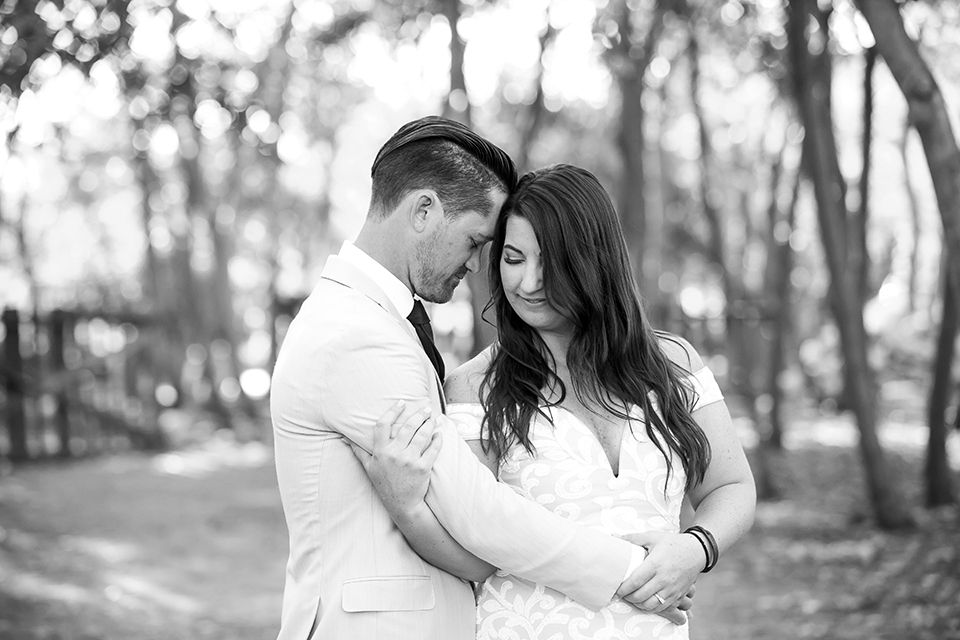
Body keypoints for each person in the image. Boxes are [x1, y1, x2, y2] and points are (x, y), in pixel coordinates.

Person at [270, 119, 682, 640]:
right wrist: (629, 568)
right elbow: (476, 509)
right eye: (474, 240)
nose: (476, 264)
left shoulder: (369, 318)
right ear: (424, 210)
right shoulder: (356, 334)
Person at [357, 164, 757, 639]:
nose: (528, 282)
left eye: (549, 261)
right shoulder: (476, 387)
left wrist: (697, 548)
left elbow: (730, 486)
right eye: (512, 258)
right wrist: (408, 508)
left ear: (594, 259)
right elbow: (474, 558)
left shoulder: (673, 364)